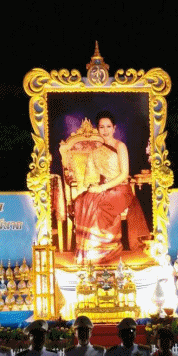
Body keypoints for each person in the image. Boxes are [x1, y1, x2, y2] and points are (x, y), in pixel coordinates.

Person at [73, 110, 149, 265]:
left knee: (99, 206)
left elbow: (124, 174)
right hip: (105, 188)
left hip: (121, 190)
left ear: (114, 128)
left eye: (108, 126)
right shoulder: (96, 151)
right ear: (98, 129)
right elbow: (92, 177)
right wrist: (94, 187)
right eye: (101, 127)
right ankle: (88, 251)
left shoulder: (120, 146)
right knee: (82, 201)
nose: (105, 130)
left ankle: (105, 251)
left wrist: (102, 188)